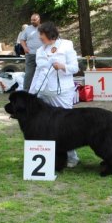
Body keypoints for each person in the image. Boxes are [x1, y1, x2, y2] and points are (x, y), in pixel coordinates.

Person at [28, 22, 80, 168]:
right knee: (42, 125)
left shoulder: (66, 45)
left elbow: (75, 68)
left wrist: (62, 66)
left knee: (66, 126)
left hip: (62, 92)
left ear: (51, 35)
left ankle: (72, 157)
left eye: (42, 36)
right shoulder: (40, 51)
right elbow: (38, 72)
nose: (40, 38)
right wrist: (32, 95)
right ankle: (46, 155)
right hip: (43, 92)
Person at [20, 13, 43, 90]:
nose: (32, 21)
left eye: (34, 20)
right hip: (30, 55)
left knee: (42, 73)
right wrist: (24, 48)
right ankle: (26, 91)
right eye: (31, 20)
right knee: (29, 74)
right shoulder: (27, 29)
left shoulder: (44, 28)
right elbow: (22, 39)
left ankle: (40, 90)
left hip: (42, 55)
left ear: (39, 19)